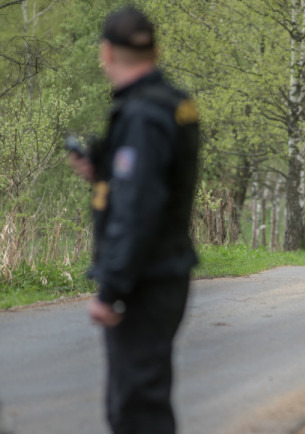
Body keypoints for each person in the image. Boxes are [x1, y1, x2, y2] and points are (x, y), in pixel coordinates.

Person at [69, 6, 200, 433]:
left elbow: (137, 208)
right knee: (138, 401)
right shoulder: (173, 102)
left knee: (136, 410)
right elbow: (152, 182)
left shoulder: (142, 113)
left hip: (145, 279)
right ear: (156, 51)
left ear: (106, 53)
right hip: (164, 272)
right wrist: (103, 170)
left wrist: (112, 289)